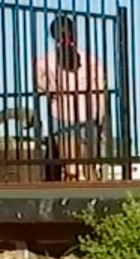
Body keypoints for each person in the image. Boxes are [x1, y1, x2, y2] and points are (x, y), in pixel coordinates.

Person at [33, 15, 107, 181]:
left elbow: (39, 85)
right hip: (77, 117)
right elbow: (100, 91)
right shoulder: (90, 60)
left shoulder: (46, 61)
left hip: (74, 117)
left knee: (76, 167)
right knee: (84, 167)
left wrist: (52, 90)